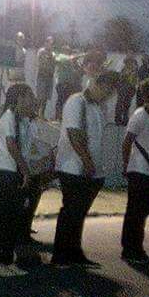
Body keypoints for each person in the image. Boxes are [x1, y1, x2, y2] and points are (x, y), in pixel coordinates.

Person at [51, 71, 119, 268]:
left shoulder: (97, 107)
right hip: (73, 168)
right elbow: (73, 133)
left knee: (79, 214)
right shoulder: (77, 102)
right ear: (97, 84)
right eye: (107, 91)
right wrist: (87, 161)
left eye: (111, 93)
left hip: (90, 169)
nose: (107, 96)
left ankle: (74, 253)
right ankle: (60, 257)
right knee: (70, 212)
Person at [0, 83, 38, 277]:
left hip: (16, 173)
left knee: (13, 220)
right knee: (3, 219)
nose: (33, 99)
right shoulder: (8, 117)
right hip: (6, 174)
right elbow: (11, 145)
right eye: (29, 96)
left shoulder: (25, 120)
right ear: (19, 97)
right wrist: (25, 171)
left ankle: (8, 260)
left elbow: (27, 148)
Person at [120, 77, 149, 264]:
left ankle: (134, 249)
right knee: (136, 213)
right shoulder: (140, 115)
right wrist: (126, 166)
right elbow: (126, 142)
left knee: (142, 212)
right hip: (139, 170)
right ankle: (131, 250)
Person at [35, 36, 55, 116]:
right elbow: (40, 63)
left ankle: (42, 115)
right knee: (40, 96)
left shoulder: (53, 54)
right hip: (42, 76)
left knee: (46, 97)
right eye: (49, 43)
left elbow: (53, 65)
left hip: (50, 77)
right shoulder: (41, 51)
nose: (50, 45)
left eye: (52, 43)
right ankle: (35, 113)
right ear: (46, 43)